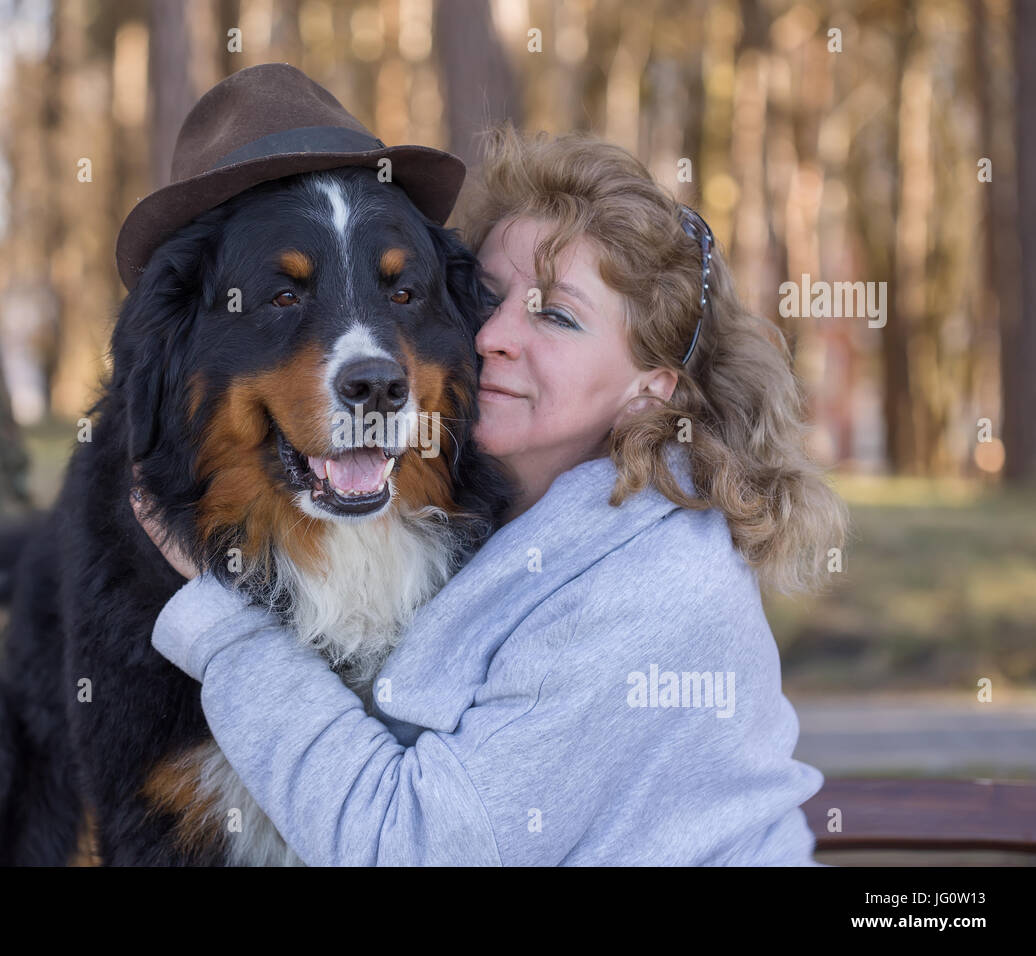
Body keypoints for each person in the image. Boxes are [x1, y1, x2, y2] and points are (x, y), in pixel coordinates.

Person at [134, 126, 848, 866]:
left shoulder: (658, 585)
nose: (495, 335)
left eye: (556, 315)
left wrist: (228, 630)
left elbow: (413, 849)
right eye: (489, 297)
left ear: (650, 390)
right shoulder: (496, 516)